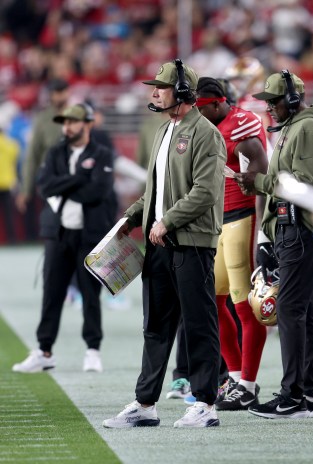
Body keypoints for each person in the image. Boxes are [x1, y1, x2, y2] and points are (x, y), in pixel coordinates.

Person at [102, 59, 227, 428]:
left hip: (191, 242)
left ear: (185, 93)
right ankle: (145, 403)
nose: (154, 92)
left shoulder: (206, 134)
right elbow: (154, 192)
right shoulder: (162, 131)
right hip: (159, 242)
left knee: (198, 322)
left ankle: (205, 403)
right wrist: (131, 217)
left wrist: (166, 221)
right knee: (155, 324)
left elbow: (205, 192)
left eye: (161, 86)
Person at [234, 70, 313, 419]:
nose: (269, 108)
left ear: (290, 98)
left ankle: (292, 396)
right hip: (293, 228)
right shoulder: (296, 125)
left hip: (301, 228)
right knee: (301, 312)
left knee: (290, 310)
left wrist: (258, 181)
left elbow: (306, 182)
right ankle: (310, 396)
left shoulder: (308, 127)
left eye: (274, 101)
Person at [11, 103, 116, 373]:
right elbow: (44, 185)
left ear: (88, 123)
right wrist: (79, 178)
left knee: (90, 294)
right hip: (57, 234)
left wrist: (66, 185)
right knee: (52, 293)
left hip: (89, 234)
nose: (67, 127)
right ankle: (44, 350)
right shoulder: (56, 151)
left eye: (73, 121)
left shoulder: (102, 153)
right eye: (64, 122)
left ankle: (93, 350)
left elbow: (98, 192)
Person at [191, 76, 269, 410]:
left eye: (202, 108)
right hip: (218, 218)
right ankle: (236, 378)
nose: (198, 113)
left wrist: (240, 176)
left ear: (218, 102)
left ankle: (248, 384)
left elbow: (259, 168)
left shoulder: (240, 123)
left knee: (243, 305)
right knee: (213, 300)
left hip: (241, 215)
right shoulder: (211, 123)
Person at [15, 78, 70, 215]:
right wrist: (26, 189)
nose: (59, 95)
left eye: (62, 91)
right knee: (54, 224)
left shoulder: (78, 116)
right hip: (51, 179)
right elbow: (32, 155)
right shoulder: (43, 119)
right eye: (56, 92)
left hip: (75, 178)